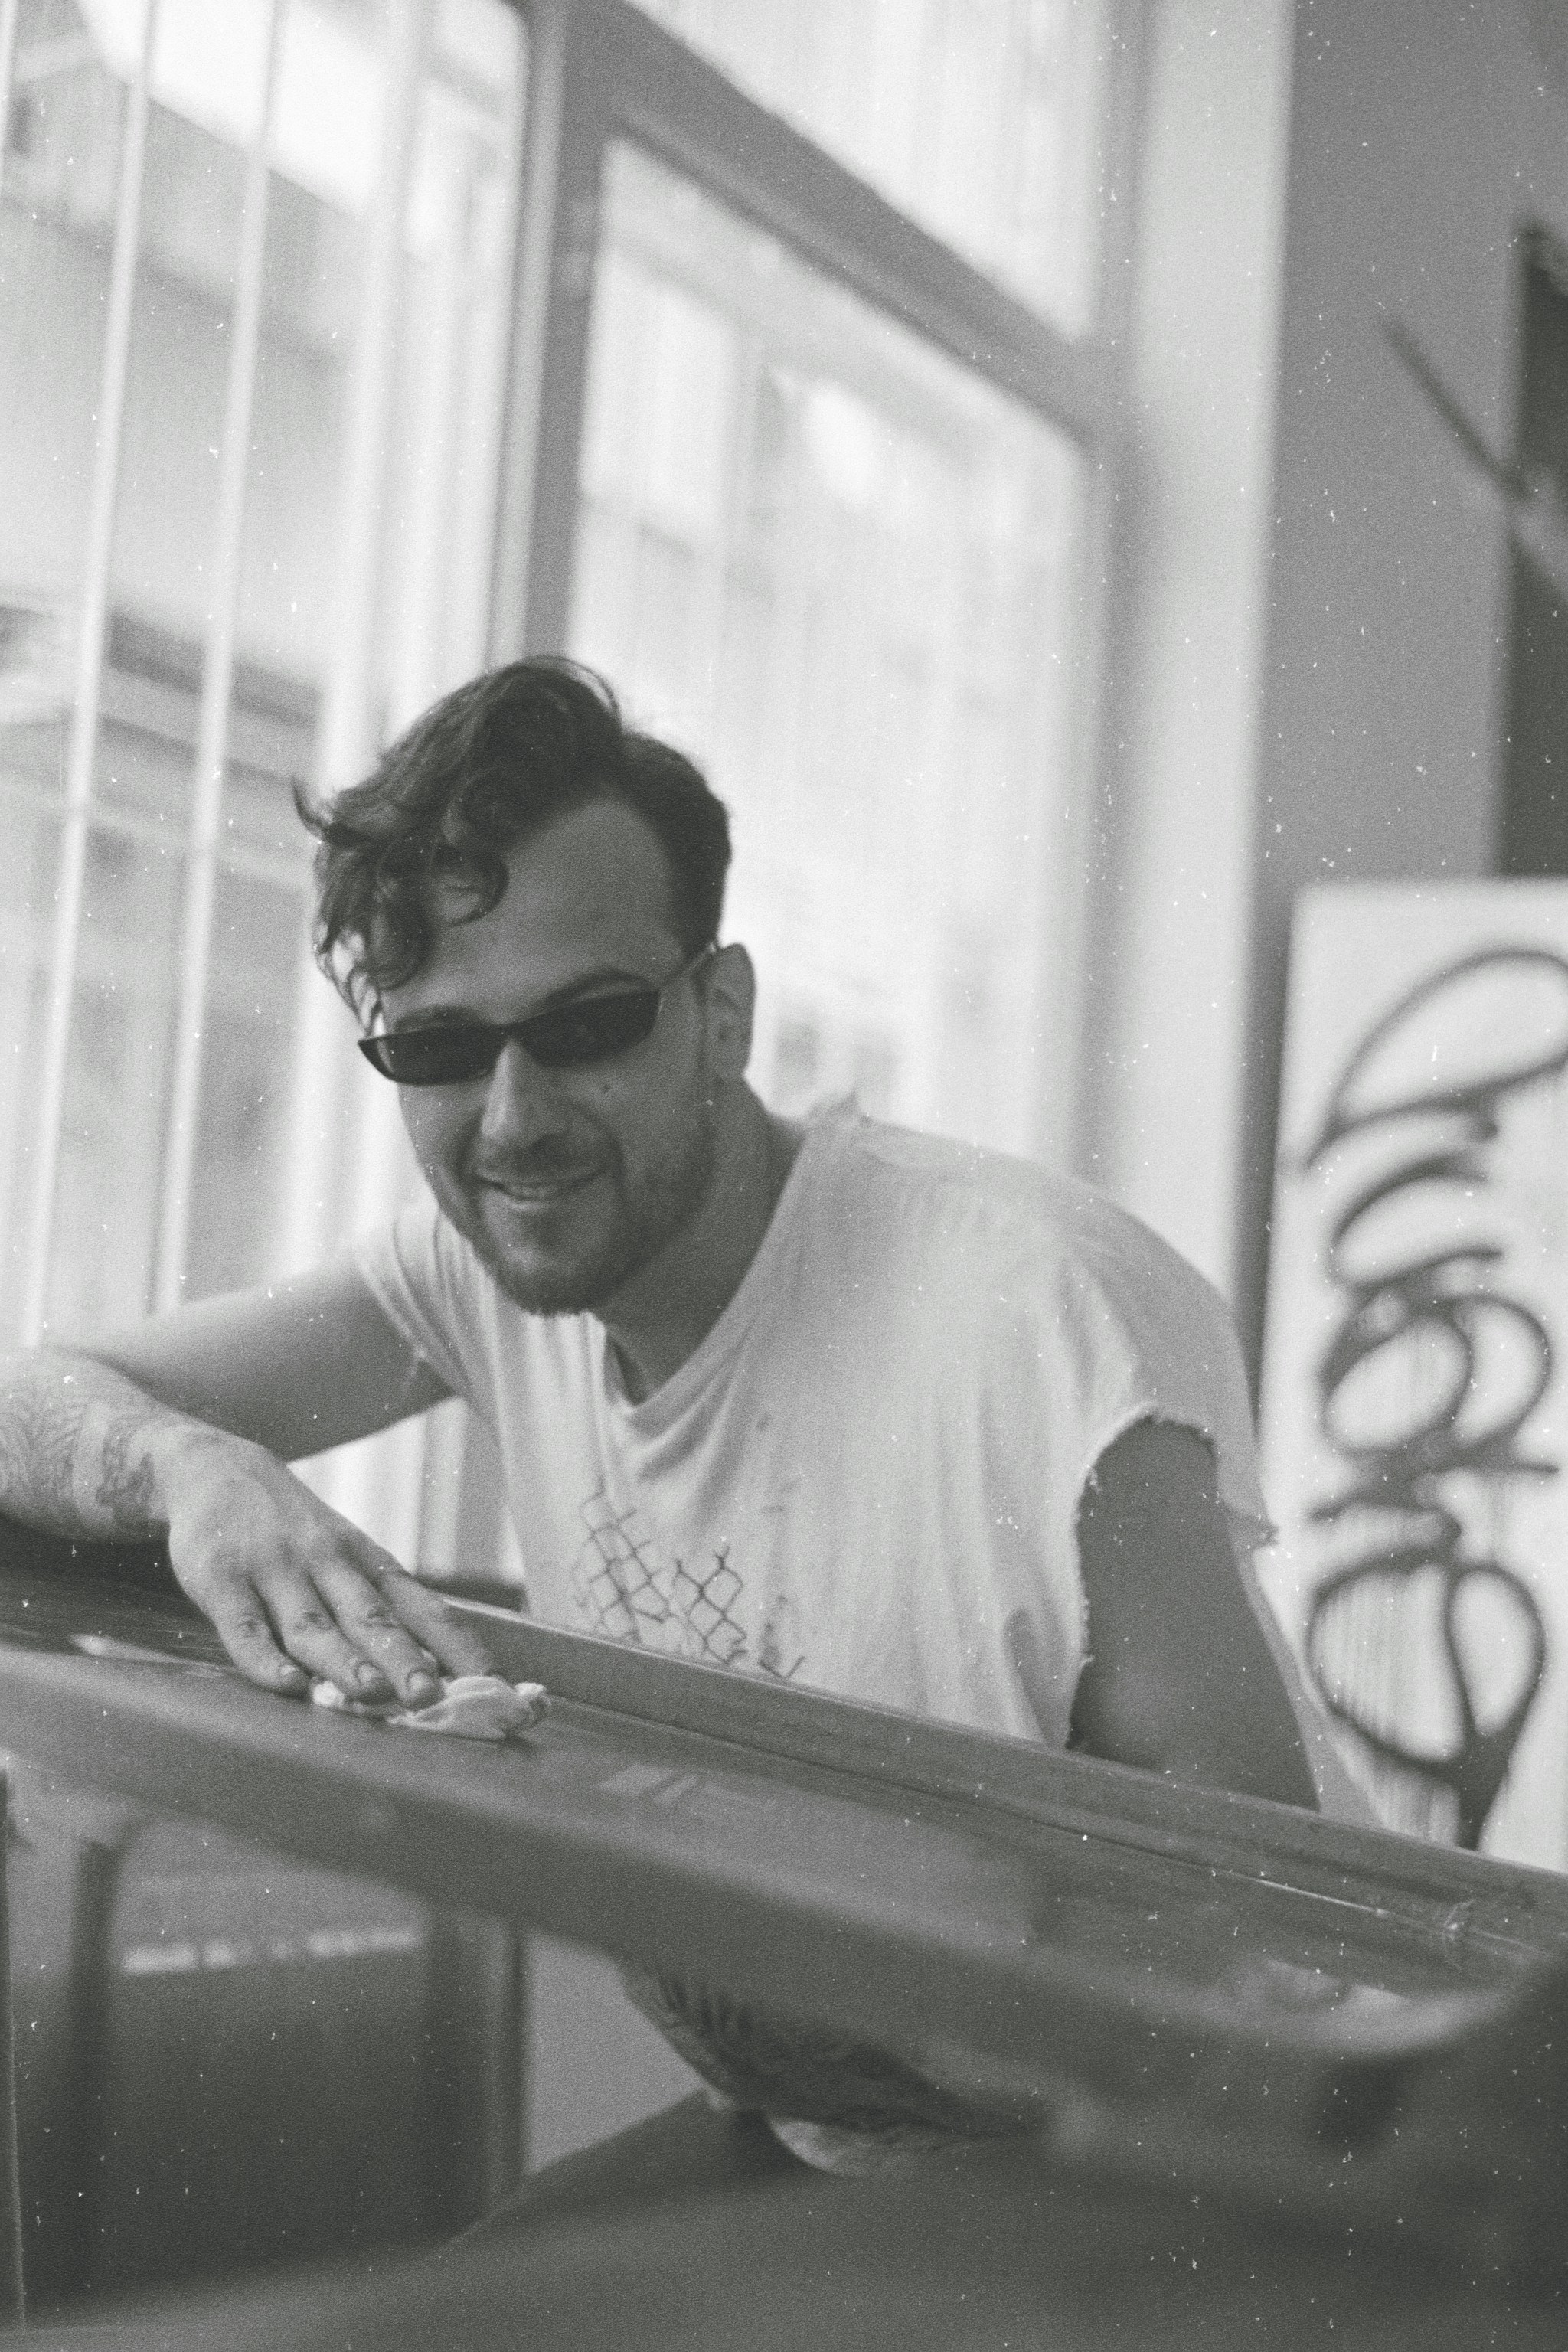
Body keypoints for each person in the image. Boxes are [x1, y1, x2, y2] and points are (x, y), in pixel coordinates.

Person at [0, 658, 1361, 2194]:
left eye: (584, 1024)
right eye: (440, 1048)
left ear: (720, 1017)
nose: (512, 1117)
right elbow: (22, 1400)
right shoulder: (474, 1275)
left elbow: (1260, 1920)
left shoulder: (1037, 1310)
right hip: (838, 2137)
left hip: (1189, 2179)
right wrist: (186, 1466)